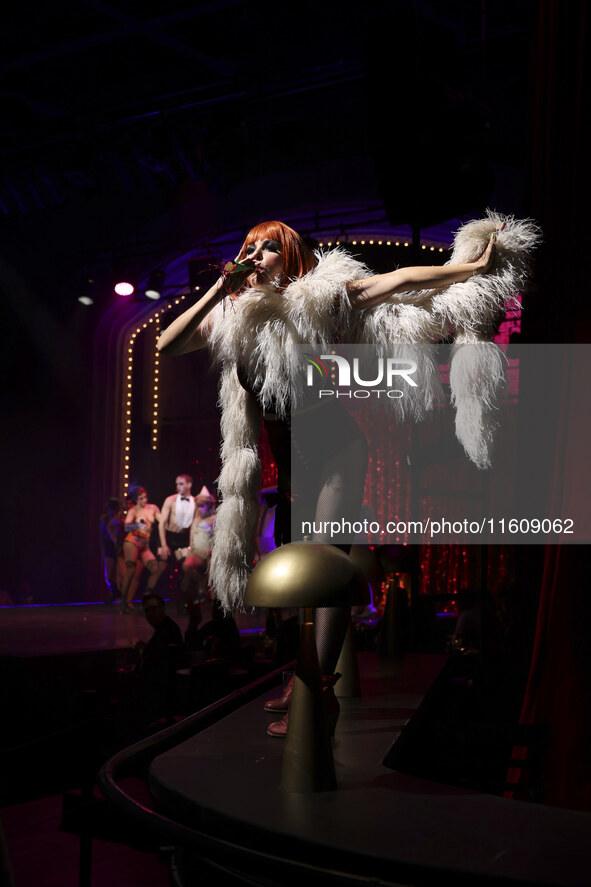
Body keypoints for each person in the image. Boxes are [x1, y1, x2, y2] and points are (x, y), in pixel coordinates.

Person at [157, 214, 539, 736]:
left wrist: (467, 267)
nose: (257, 255)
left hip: (336, 446)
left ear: (290, 259)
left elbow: (399, 279)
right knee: (295, 574)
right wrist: (219, 288)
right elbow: (167, 345)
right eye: (251, 246)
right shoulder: (232, 314)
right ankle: (303, 668)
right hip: (292, 462)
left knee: (328, 565)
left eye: (270, 248)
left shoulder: (322, 299)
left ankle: (318, 686)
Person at [133, 593, 184, 723]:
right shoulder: (165, 629)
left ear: (162, 609)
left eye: (154, 608)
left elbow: (160, 662)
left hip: (161, 695)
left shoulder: (166, 630)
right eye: (147, 610)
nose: (151, 613)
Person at [120, 487, 162, 613]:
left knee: (156, 568)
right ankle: (124, 603)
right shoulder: (133, 510)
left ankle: (147, 593)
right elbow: (127, 527)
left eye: (145, 497)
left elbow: (162, 520)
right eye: (140, 498)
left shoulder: (153, 508)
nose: (144, 500)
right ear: (136, 499)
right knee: (131, 570)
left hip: (145, 545)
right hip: (132, 541)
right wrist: (138, 524)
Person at [181, 485, 216, 604]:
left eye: (203, 505)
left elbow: (218, 538)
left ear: (208, 505)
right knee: (186, 566)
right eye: (198, 505)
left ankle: (213, 599)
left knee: (212, 574)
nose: (200, 508)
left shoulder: (214, 520)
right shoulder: (196, 520)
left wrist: (213, 550)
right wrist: (189, 550)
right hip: (197, 552)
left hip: (210, 552)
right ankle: (201, 584)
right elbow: (192, 539)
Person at [98, 497, 124, 602]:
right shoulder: (104, 519)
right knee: (108, 576)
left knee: (120, 574)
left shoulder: (121, 519)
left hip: (120, 548)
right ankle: (115, 592)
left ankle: (121, 594)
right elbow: (103, 535)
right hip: (109, 548)